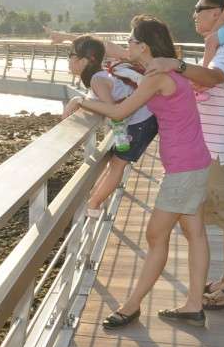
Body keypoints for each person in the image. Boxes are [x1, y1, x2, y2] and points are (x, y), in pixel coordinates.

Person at [66, 16, 211, 329]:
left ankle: (131, 306)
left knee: (155, 235)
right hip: (194, 162)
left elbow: (120, 112)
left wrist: (81, 101)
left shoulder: (156, 76)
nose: (125, 46)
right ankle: (194, 305)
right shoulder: (161, 69)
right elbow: (113, 52)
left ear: (143, 46)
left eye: (131, 41)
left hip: (184, 168)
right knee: (195, 233)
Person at [145, 0, 224, 311]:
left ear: (218, 12)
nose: (194, 14)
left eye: (199, 8)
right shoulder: (223, 47)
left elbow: (213, 79)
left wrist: (176, 64)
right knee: (211, 220)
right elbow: (199, 82)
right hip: (216, 153)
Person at [63, 35, 158, 218]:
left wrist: (79, 101)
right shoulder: (100, 76)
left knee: (116, 165)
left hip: (140, 122)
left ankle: (94, 205)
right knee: (115, 163)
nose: (68, 59)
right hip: (141, 119)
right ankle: (95, 200)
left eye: (71, 54)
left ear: (83, 60)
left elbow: (112, 109)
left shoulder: (97, 80)